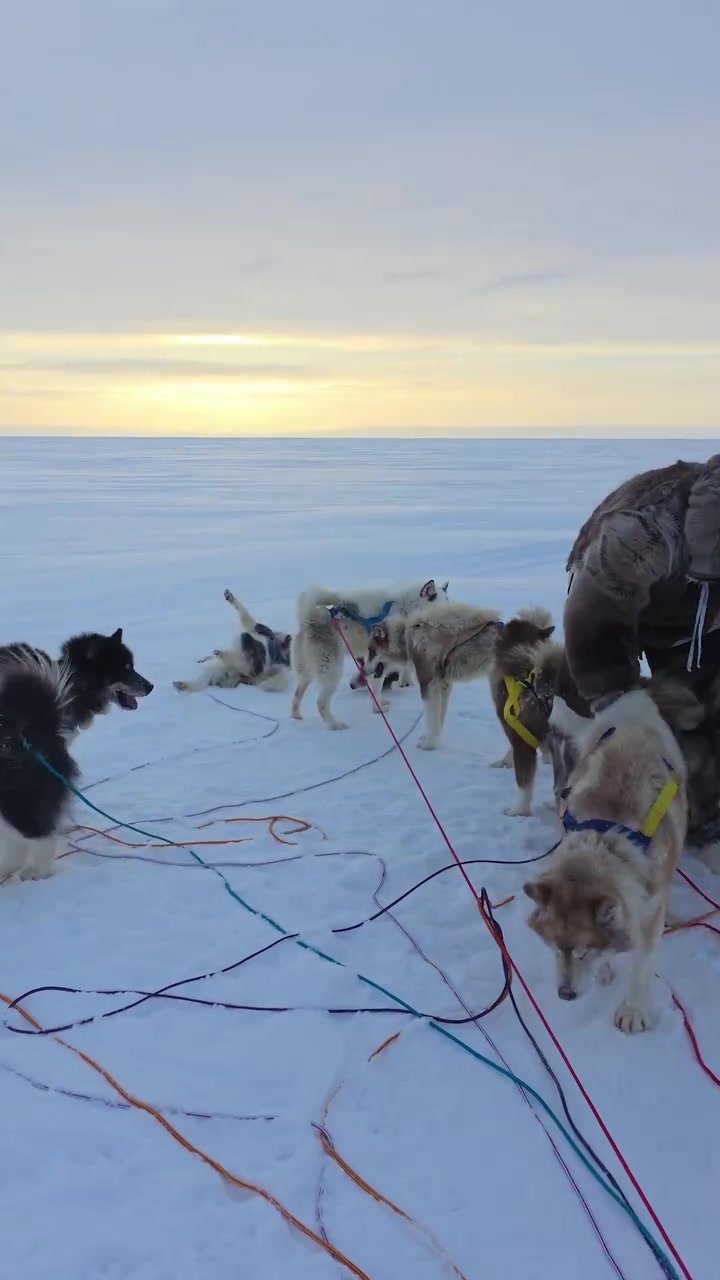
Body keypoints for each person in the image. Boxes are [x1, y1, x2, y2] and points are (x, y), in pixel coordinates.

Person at [550, 453, 720, 852]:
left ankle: (702, 818)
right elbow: (594, 620)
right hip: (604, 604)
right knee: (586, 705)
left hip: (696, 620)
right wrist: (620, 704)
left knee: (704, 710)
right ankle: (581, 811)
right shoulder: (642, 532)